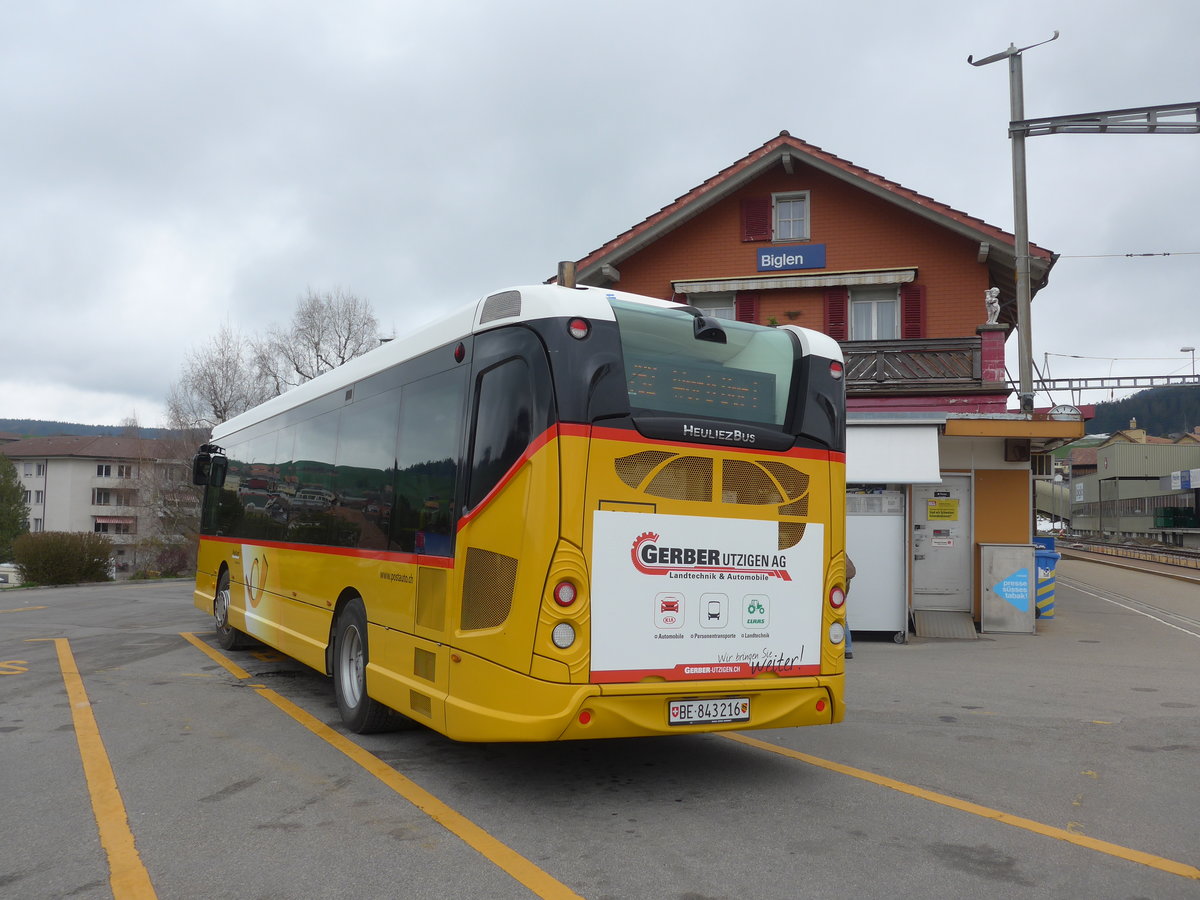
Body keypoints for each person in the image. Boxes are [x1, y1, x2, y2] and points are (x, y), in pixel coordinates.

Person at [844, 556, 855, 659]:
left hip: (836, 592)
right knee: (843, 621)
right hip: (841, 592)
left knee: (842, 621)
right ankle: (848, 649)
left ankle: (848, 648)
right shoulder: (844, 556)